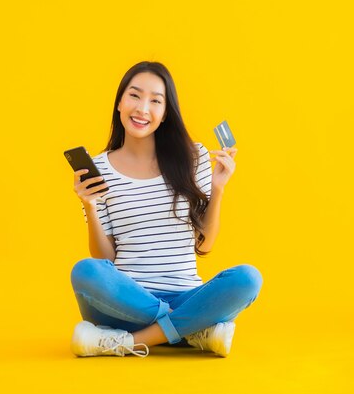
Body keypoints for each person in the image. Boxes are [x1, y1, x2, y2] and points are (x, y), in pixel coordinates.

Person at [69, 61, 263, 358]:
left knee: (248, 279)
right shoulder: (100, 170)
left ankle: (129, 342)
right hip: (126, 301)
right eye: (134, 95)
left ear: (165, 114)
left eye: (155, 101)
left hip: (186, 292)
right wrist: (90, 206)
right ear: (120, 102)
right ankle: (194, 328)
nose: (142, 108)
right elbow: (104, 258)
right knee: (85, 271)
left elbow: (205, 244)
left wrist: (219, 189)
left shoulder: (193, 157)